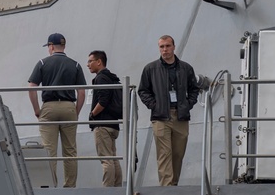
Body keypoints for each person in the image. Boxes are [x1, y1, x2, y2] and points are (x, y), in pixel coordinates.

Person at [138, 35, 200, 186]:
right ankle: (166, 188)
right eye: (161, 47)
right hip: (161, 117)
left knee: (178, 153)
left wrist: (188, 104)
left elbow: (194, 89)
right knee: (164, 153)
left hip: (180, 116)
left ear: (173, 46)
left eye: (167, 46)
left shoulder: (186, 68)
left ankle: (174, 185)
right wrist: (154, 105)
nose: (164, 50)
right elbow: (143, 90)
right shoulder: (150, 68)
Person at [28, 33, 86, 188]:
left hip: (49, 107)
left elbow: (31, 88)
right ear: (64, 46)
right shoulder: (75, 65)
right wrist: (76, 111)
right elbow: (81, 92)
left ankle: (51, 186)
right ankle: (70, 187)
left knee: (49, 151)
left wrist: (37, 110)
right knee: (70, 151)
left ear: (51, 46)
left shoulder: (42, 63)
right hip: (68, 106)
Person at [86, 50, 123, 187]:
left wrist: (92, 115)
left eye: (90, 61)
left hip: (102, 125)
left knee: (106, 159)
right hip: (113, 124)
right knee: (113, 158)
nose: (88, 64)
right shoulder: (112, 77)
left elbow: (103, 100)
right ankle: (117, 187)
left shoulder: (101, 78)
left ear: (99, 62)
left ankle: (107, 190)